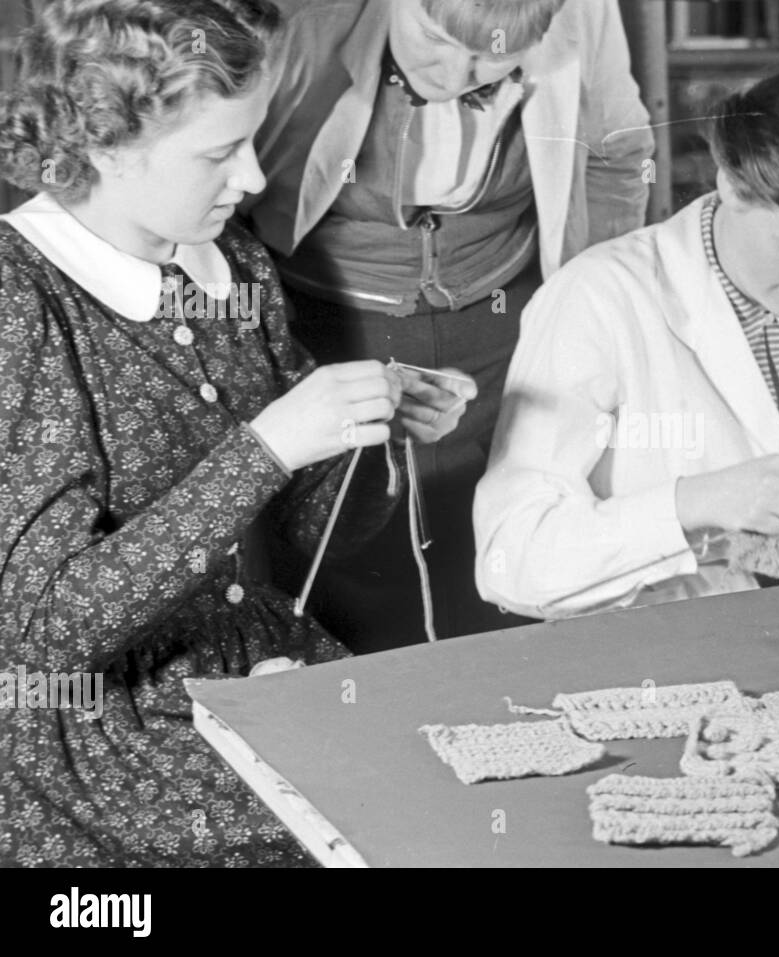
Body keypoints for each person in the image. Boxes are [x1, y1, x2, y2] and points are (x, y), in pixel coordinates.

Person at [0, 0, 465, 867]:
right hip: (102, 740)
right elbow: (43, 634)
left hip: (258, 673)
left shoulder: (233, 262)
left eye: (252, 141)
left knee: (452, 789)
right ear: (105, 147)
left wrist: (370, 430)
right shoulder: (20, 297)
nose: (251, 178)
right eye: (219, 152)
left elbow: (307, 534)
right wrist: (268, 446)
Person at [241, 0, 655, 644]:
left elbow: (615, 155)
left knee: (504, 532)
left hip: (505, 309)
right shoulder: (300, 21)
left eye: (491, 58)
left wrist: (589, 309)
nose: (456, 74)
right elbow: (229, 187)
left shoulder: (582, 11)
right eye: (434, 40)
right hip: (328, 314)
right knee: (346, 543)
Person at [474, 60, 779, 619]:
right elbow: (512, 560)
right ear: (733, 184)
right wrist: (690, 504)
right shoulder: (598, 298)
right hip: (655, 643)